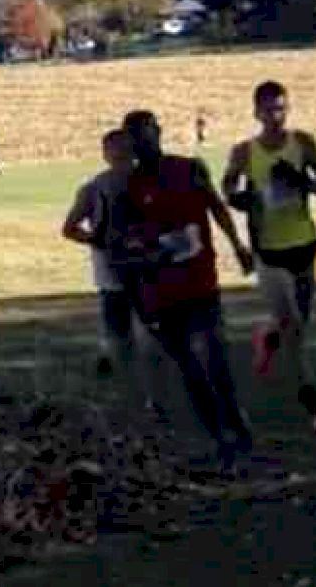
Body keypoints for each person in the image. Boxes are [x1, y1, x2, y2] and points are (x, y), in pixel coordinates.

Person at [115, 110, 255, 474]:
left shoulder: (190, 168)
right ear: (129, 143)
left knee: (215, 359)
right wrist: (146, 261)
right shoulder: (130, 189)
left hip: (201, 282)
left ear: (159, 132)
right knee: (191, 367)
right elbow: (126, 245)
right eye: (136, 137)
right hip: (162, 291)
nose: (143, 141)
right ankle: (219, 437)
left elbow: (216, 206)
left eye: (148, 133)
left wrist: (238, 245)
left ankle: (235, 423)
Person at [222, 81, 316, 437]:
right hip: (268, 251)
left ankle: (267, 335)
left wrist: (303, 182)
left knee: (297, 322)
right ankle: (315, 407)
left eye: (282, 108)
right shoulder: (244, 152)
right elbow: (228, 187)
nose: (276, 116)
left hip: (303, 245)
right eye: (269, 109)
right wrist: (241, 198)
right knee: (295, 332)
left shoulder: (303, 143)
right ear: (256, 112)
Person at [63, 131, 143, 378]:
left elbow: (70, 229)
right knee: (120, 326)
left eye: (124, 151)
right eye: (116, 151)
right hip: (118, 270)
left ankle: (117, 359)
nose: (121, 157)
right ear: (106, 154)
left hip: (143, 267)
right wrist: (100, 241)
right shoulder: (93, 189)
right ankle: (116, 360)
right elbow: (69, 228)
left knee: (129, 326)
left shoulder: (149, 182)